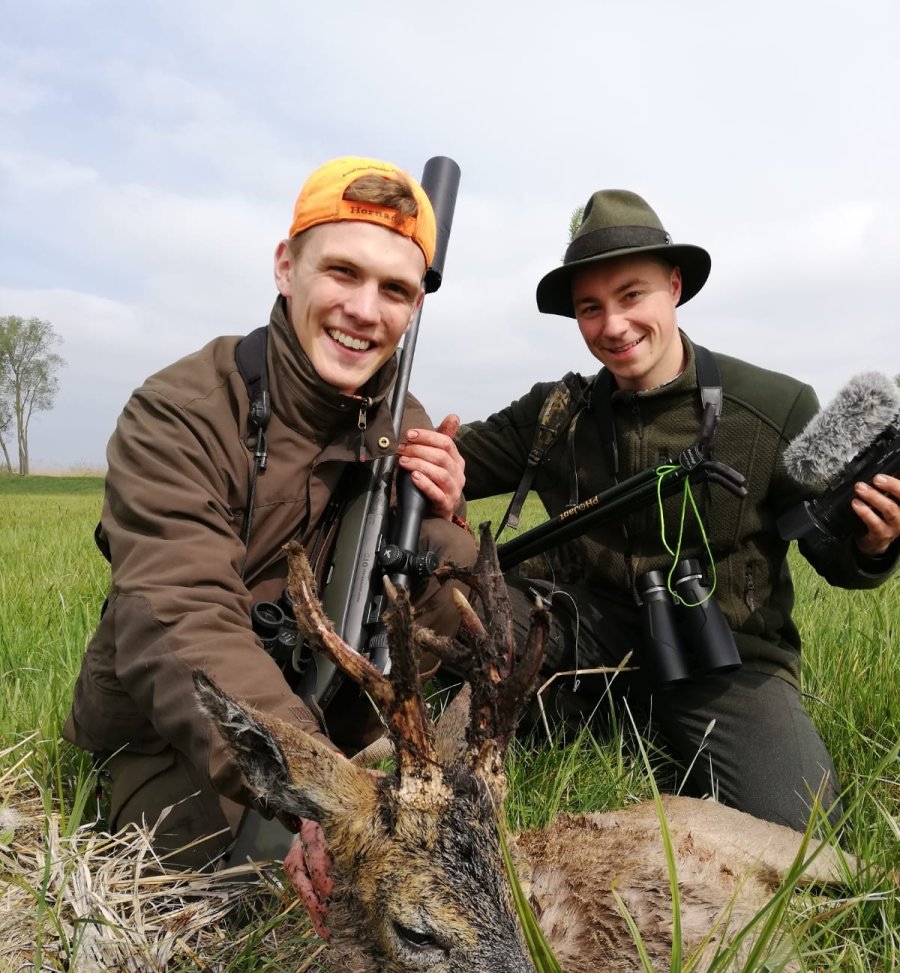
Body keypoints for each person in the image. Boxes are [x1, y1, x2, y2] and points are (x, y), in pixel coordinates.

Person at [406, 189, 900, 831]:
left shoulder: (776, 405)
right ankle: (537, 720)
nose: (613, 326)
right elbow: (448, 457)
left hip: (725, 658)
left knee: (800, 826)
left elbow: (833, 554)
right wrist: (436, 469)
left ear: (674, 286)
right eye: (590, 308)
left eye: (632, 295)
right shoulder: (555, 411)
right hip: (576, 640)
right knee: (443, 549)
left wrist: (875, 544)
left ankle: (642, 729)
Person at [64, 156, 476, 868]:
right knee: (250, 883)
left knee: (439, 547)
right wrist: (317, 790)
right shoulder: (179, 413)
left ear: (415, 306)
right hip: (176, 723)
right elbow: (181, 613)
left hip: (310, 712)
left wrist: (449, 512)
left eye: (395, 290)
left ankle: (358, 751)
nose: (365, 311)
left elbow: (443, 582)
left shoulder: (398, 418)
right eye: (342, 272)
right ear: (287, 266)